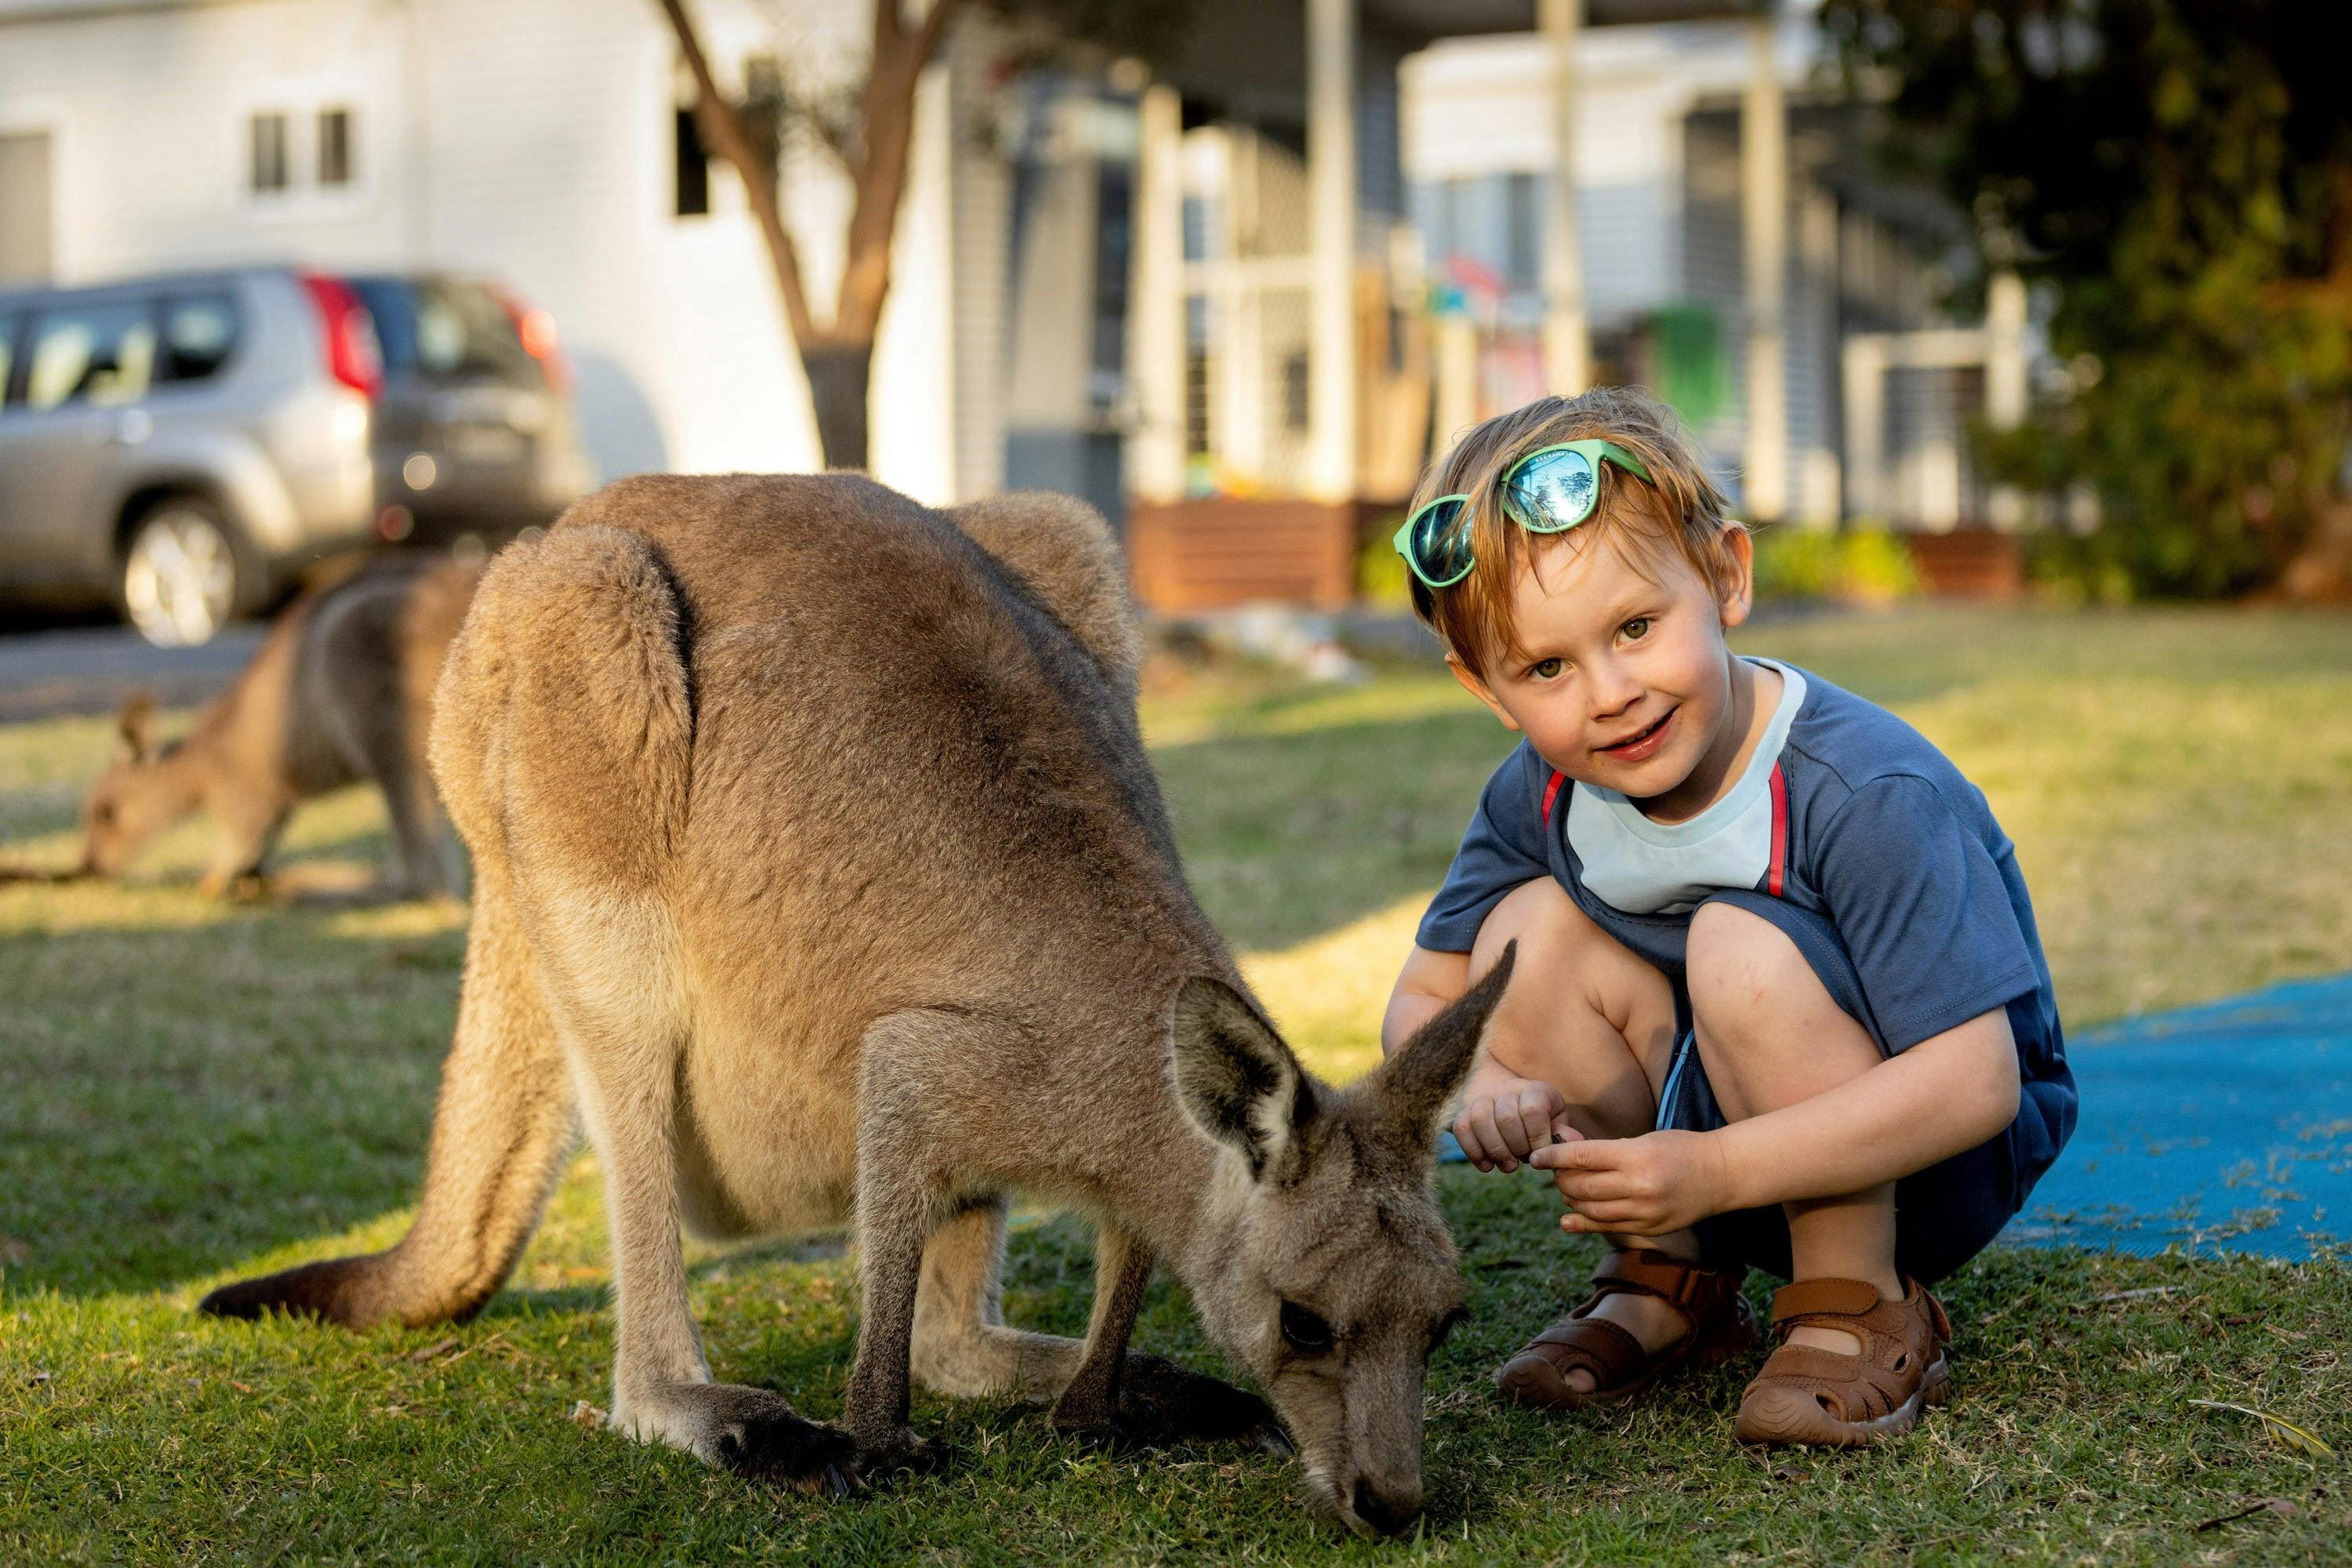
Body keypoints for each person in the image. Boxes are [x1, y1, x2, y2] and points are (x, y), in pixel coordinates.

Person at [1379, 387, 2075, 1446]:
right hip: (1712, 1155)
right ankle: (1673, 1280)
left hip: (1927, 1155)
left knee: (1737, 942)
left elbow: (1976, 1083)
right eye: (1547, 667)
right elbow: (1428, 1000)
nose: (1609, 693)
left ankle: (1858, 1298)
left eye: (1637, 627)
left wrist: (1717, 1169)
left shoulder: (1862, 788)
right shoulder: (1539, 789)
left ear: (1727, 577)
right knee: (1521, 933)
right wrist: (1486, 1086)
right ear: (1484, 687)